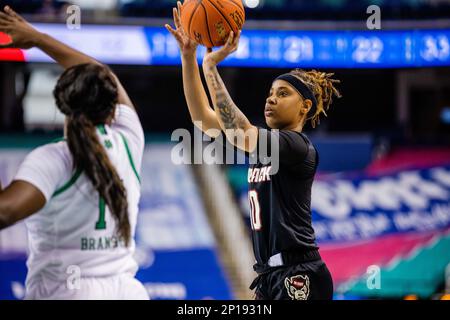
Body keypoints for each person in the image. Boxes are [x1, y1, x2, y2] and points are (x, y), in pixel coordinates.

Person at [166, 2, 341, 300]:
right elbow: (202, 120)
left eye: (283, 94)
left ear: (305, 107)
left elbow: (238, 130)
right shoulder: (264, 147)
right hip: (268, 276)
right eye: (270, 94)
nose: (271, 100)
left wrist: (209, 66)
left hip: (300, 275)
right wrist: (187, 57)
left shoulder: (295, 146)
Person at [0, 6, 148, 300]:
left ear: (63, 105)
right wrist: (39, 39)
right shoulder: (130, 139)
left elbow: (5, 211)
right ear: (111, 107)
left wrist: (36, 39)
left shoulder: (54, 158)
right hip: (126, 292)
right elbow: (104, 76)